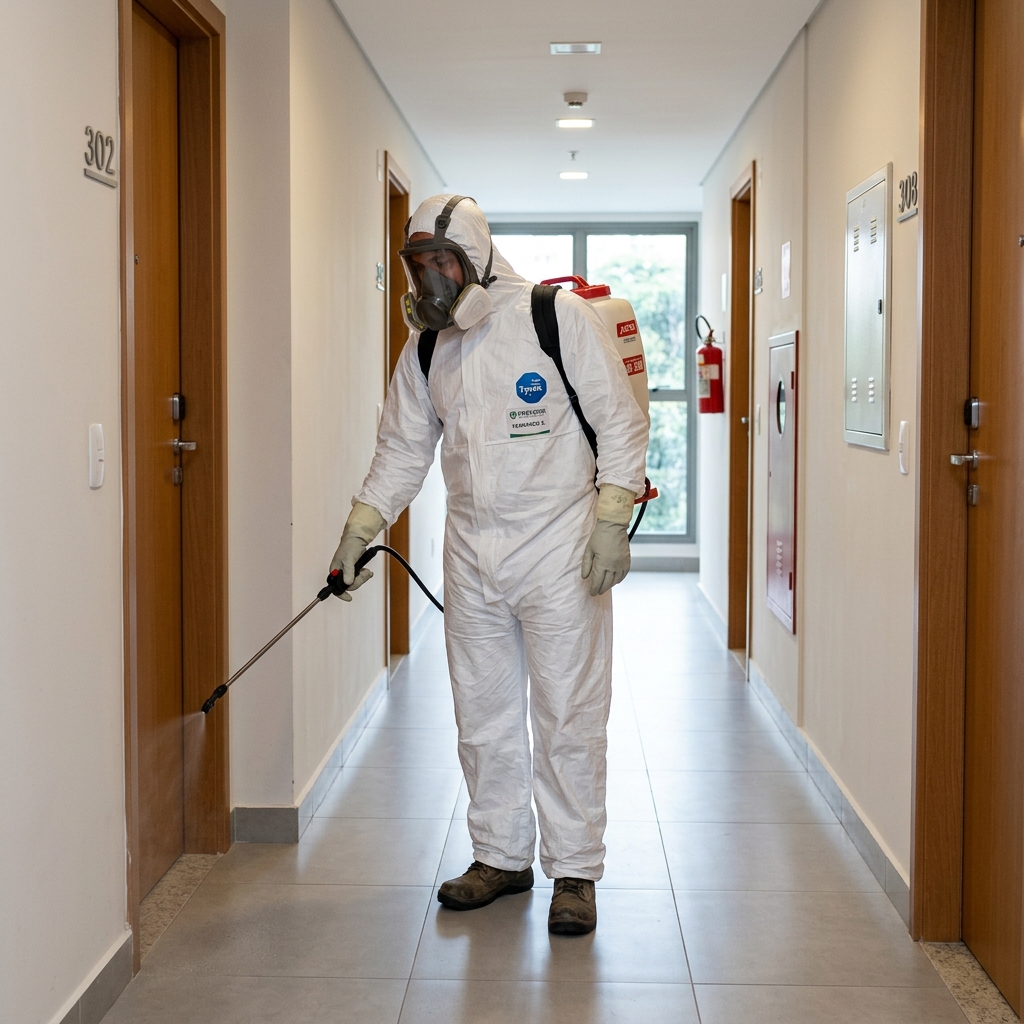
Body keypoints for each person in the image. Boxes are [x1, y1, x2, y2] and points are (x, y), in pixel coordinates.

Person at [331, 194, 648, 935]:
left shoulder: (552, 318)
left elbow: (619, 420)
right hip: (471, 550)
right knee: (482, 711)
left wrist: (610, 520)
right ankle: (500, 856)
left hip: (559, 544)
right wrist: (362, 524)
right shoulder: (427, 349)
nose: (431, 280)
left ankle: (574, 870)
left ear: (475, 259)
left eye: (443, 262)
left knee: (569, 712)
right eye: (419, 266)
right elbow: (404, 447)